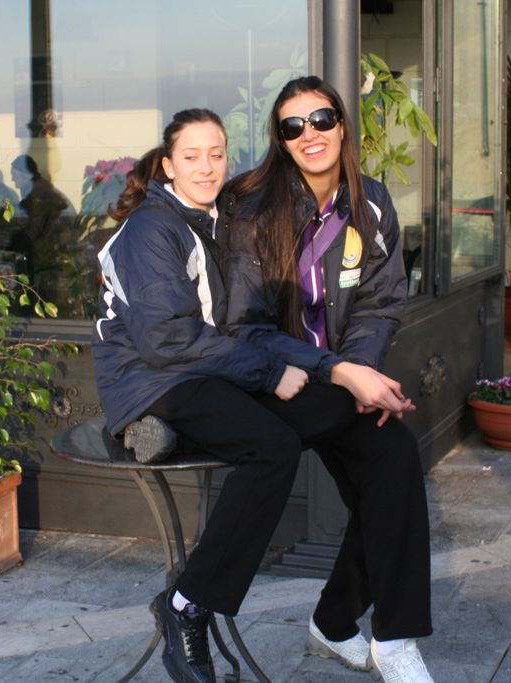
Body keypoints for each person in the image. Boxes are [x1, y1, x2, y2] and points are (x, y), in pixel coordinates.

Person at [91, 108, 410, 683]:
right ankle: (187, 604)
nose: (206, 166)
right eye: (191, 156)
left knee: (357, 419)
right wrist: (269, 372)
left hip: (210, 374)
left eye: (216, 155)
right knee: (271, 447)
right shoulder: (152, 228)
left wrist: (348, 378)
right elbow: (167, 340)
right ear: (168, 165)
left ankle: (346, 618)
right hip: (153, 381)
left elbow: (238, 325)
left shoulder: (216, 221)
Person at [219, 76, 435, 682]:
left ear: (342, 125)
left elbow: (380, 302)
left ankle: (383, 636)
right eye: (293, 126)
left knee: (392, 464)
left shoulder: (372, 202)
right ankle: (338, 624)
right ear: (281, 140)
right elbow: (245, 328)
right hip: (273, 381)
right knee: (388, 462)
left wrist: (359, 368)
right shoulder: (252, 209)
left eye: (320, 119)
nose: (309, 134)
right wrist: (343, 373)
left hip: (338, 380)